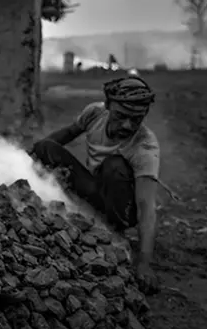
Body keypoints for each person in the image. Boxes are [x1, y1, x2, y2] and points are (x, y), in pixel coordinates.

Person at [30, 76, 162, 293]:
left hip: (122, 208)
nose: (127, 125)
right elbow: (63, 137)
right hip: (95, 191)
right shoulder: (94, 113)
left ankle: (113, 231)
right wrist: (28, 155)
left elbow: (147, 208)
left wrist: (144, 264)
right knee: (45, 147)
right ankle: (89, 217)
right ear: (108, 106)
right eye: (121, 117)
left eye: (136, 119)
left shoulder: (145, 147)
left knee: (114, 166)